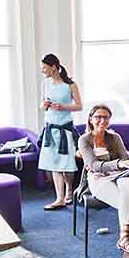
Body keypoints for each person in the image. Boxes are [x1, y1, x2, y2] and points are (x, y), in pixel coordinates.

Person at [78, 104, 129, 258]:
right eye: (98, 117)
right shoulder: (84, 139)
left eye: (105, 117)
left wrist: (126, 164)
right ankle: (128, 252)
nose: (102, 120)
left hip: (119, 175)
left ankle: (124, 239)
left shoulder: (115, 137)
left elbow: (126, 159)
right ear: (91, 119)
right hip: (98, 179)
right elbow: (93, 166)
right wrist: (118, 163)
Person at [39, 54, 82, 210]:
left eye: (45, 67)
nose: (43, 71)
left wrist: (63, 107)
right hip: (50, 129)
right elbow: (42, 104)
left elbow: (79, 106)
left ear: (54, 67)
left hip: (65, 129)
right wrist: (44, 105)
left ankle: (69, 190)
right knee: (54, 164)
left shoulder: (70, 85)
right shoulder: (45, 84)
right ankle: (59, 198)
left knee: (67, 164)